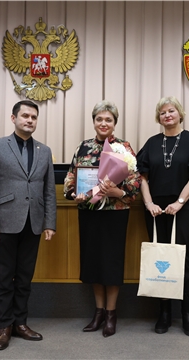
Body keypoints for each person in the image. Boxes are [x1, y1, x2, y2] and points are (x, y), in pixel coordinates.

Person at [0, 100, 57, 350]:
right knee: (5, 277)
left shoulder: (44, 151)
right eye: (25, 116)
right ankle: (4, 326)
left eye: (34, 117)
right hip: (3, 223)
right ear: (13, 118)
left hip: (33, 224)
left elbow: (49, 192)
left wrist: (50, 223)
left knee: (24, 278)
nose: (30, 120)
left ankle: (21, 323)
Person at [136, 96, 189, 337]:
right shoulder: (151, 143)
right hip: (155, 210)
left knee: (181, 259)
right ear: (158, 118)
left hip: (181, 207)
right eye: (162, 113)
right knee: (159, 261)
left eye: (171, 111)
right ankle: (164, 313)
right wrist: (148, 202)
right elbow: (142, 176)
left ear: (180, 114)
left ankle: (187, 312)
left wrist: (180, 202)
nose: (167, 115)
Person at [63, 100, 141, 337]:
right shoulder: (83, 147)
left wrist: (119, 192)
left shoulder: (124, 148)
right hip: (89, 213)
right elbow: (70, 177)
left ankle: (111, 313)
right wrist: (73, 193)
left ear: (114, 123)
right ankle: (97, 312)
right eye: (99, 119)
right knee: (93, 261)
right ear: (94, 122)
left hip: (115, 214)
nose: (103, 123)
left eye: (108, 119)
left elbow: (135, 182)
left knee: (111, 262)